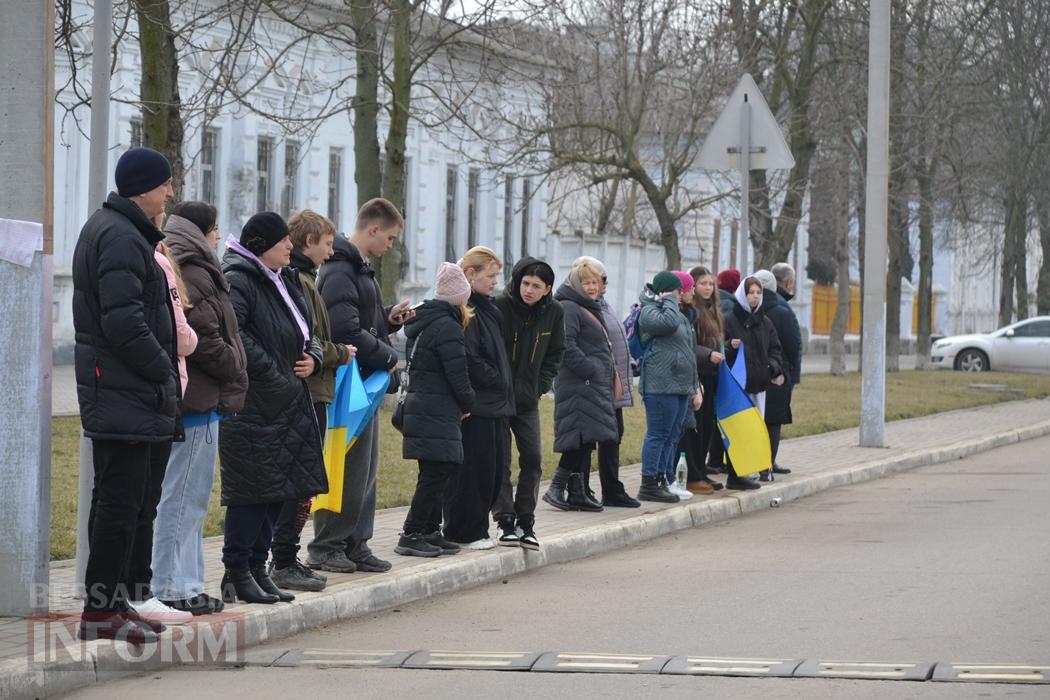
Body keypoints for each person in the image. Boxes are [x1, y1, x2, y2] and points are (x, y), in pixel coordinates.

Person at [73, 147, 181, 643]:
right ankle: (101, 612)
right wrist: (163, 372)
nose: (170, 193)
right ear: (142, 188)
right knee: (119, 505)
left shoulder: (124, 231)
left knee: (123, 503)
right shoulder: (119, 236)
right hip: (125, 389)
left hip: (126, 390)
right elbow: (124, 322)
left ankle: (113, 604)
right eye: (165, 184)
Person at [219, 212, 327, 604]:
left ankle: (256, 567)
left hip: (285, 403)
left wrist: (314, 357)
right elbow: (235, 335)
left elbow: (308, 331)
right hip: (255, 405)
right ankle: (236, 571)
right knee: (252, 492)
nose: (289, 246)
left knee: (275, 491)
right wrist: (275, 373)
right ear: (262, 245)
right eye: (283, 241)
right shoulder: (239, 280)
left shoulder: (283, 279)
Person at [152, 202, 248, 617]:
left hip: (203, 399)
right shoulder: (192, 268)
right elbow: (205, 337)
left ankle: (188, 584)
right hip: (196, 398)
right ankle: (169, 585)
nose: (219, 236)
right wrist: (235, 364)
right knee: (181, 498)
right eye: (215, 229)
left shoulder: (193, 264)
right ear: (202, 230)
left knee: (192, 500)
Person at [307, 198, 410, 574]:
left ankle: (356, 543)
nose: (391, 246)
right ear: (374, 229)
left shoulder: (359, 270)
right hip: (348, 386)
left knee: (365, 471)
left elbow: (362, 320)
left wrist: (388, 319)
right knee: (346, 468)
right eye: (391, 238)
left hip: (364, 384)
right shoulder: (340, 270)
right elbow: (344, 329)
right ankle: (327, 545)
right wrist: (389, 356)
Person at [270, 210, 357, 591]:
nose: (331, 251)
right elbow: (310, 341)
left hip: (316, 390)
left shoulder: (306, 280)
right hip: (309, 392)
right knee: (300, 481)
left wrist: (327, 353)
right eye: (327, 243)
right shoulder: (300, 282)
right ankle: (282, 559)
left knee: (304, 480)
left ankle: (285, 558)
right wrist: (341, 353)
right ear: (309, 242)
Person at [395, 262, 476, 557]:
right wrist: (468, 403)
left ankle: (430, 530)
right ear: (459, 297)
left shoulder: (425, 322)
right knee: (437, 472)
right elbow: (458, 373)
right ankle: (412, 533)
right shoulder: (448, 327)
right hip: (437, 409)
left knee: (434, 470)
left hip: (424, 406)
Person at [490, 256, 565, 549]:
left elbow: (556, 352)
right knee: (501, 461)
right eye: (525, 283)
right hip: (498, 398)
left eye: (536, 286)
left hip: (528, 400)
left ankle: (526, 521)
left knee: (533, 458)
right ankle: (504, 521)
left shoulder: (554, 312)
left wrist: (540, 386)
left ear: (547, 289)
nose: (529, 290)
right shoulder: (500, 306)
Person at [444, 246, 515, 548]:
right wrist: (496, 378)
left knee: (492, 471)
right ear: (471, 274)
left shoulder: (488, 309)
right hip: (479, 405)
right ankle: (465, 531)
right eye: (491, 275)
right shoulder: (467, 309)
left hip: (496, 404)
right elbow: (470, 358)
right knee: (473, 472)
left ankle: (477, 527)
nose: (495, 281)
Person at [543, 258, 618, 512]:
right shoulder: (570, 308)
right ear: (576, 285)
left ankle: (577, 492)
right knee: (578, 438)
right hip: (579, 383)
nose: (592, 287)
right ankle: (556, 487)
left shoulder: (587, 307)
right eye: (586, 283)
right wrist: (592, 368)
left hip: (589, 384)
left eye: (595, 283)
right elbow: (566, 345)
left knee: (587, 439)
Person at [636, 271, 702, 503]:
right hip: (660, 385)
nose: (681, 294)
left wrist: (694, 386)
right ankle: (648, 483)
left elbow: (688, 351)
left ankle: (663, 479)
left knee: (672, 435)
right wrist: (670, 299)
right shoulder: (649, 311)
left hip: (679, 385)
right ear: (665, 291)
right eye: (677, 290)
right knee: (658, 435)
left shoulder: (676, 313)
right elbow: (669, 323)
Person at [722, 275, 785, 490]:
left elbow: (775, 350)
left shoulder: (765, 322)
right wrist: (729, 346)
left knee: (759, 426)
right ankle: (741, 470)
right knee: (740, 429)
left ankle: (762, 467)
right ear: (743, 294)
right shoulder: (730, 320)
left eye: (759, 293)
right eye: (751, 293)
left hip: (759, 384)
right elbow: (719, 346)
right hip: (738, 386)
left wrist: (772, 368)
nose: (755, 297)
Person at [595, 268, 641, 508]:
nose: (603, 285)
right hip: (600, 384)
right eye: (597, 280)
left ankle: (611, 488)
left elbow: (618, 339)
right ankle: (605, 489)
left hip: (615, 384)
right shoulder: (586, 308)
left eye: (604, 280)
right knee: (605, 437)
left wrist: (630, 362)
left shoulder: (604, 305)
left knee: (614, 435)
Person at [684, 266, 726, 494]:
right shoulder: (692, 311)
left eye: (711, 284)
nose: (708, 288)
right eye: (703, 284)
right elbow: (690, 344)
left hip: (712, 374)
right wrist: (708, 354)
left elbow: (715, 341)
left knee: (708, 426)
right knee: (697, 427)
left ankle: (701, 470)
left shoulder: (713, 310)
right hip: (698, 373)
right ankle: (693, 474)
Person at [762, 263, 803, 478]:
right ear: (788, 283)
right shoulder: (782, 309)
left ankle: (762, 462)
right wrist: (790, 372)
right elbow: (793, 344)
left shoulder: (756, 306)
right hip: (779, 371)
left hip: (760, 370)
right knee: (774, 418)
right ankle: (767, 463)